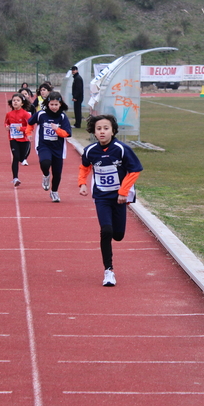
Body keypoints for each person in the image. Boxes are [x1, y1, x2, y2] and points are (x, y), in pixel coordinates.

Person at [78, 115, 144, 287]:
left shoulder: (122, 149)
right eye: (98, 128)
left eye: (106, 128)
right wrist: (82, 183)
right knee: (106, 230)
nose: (102, 132)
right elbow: (84, 166)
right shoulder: (90, 150)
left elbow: (135, 170)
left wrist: (123, 192)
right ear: (93, 131)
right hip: (101, 197)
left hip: (120, 198)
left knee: (118, 235)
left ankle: (115, 236)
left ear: (113, 130)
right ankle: (109, 271)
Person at [29, 92, 71, 203]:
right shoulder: (41, 114)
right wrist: (29, 133)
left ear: (60, 104)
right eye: (51, 104)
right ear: (47, 104)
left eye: (56, 104)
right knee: (45, 163)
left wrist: (57, 129)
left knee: (57, 173)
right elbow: (30, 122)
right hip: (44, 145)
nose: (53, 107)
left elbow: (67, 133)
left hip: (58, 148)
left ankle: (54, 192)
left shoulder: (62, 117)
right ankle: (46, 175)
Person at [4, 93, 32, 187]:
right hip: (13, 138)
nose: (15, 102)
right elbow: (6, 123)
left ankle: (22, 158)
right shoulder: (9, 114)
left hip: (24, 139)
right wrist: (7, 127)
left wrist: (22, 129)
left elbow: (30, 126)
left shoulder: (26, 114)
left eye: (18, 100)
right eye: (14, 100)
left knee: (21, 158)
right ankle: (15, 178)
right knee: (15, 157)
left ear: (22, 103)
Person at [18, 87, 37, 166]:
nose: (24, 96)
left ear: (28, 95)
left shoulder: (31, 107)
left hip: (28, 127)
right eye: (22, 94)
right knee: (19, 142)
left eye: (25, 94)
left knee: (27, 142)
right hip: (18, 127)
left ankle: (25, 158)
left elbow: (34, 116)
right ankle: (19, 155)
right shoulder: (17, 106)